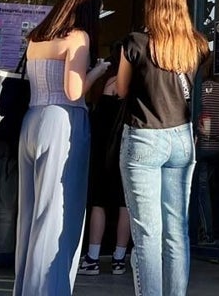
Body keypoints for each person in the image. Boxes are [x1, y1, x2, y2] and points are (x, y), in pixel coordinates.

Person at [14, 0, 112, 296]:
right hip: (63, 120)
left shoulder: (35, 39)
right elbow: (73, 90)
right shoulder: (78, 38)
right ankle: (49, 290)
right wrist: (97, 72)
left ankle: (27, 288)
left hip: (32, 119)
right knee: (58, 216)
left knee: (31, 215)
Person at [116, 0, 209, 296]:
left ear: (151, 6)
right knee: (176, 233)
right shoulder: (197, 45)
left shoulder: (136, 42)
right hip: (181, 140)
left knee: (147, 236)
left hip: (144, 138)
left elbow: (122, 89)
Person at [81, 41, 131, 276]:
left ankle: (92, 257)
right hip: (127, 150)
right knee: (125, 205)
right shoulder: (134, 85)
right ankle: (119, 259)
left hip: (102, 151)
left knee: (99, 204)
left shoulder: (103, 84)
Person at [192, 62, 219, 246]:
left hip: (200, 145)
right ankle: (213, 230)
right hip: (218, 147)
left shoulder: (197, 90)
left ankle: (206, 232)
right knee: (209, 189)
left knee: (201, 190)